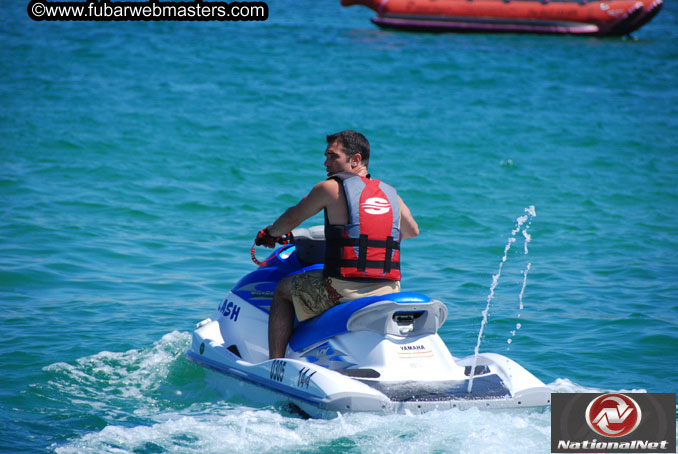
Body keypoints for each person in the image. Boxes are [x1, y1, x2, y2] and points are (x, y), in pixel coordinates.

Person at [254, 130, 419, 359]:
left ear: (356, 160)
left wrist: (270, 235)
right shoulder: (391, 194)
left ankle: (275, 364)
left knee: (283, 289)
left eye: (333, 156)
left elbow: (292, 217)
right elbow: (411, 231)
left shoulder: (329, 188)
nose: (326, 163)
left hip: (342, 289)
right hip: (389, 288)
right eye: (326, 156)